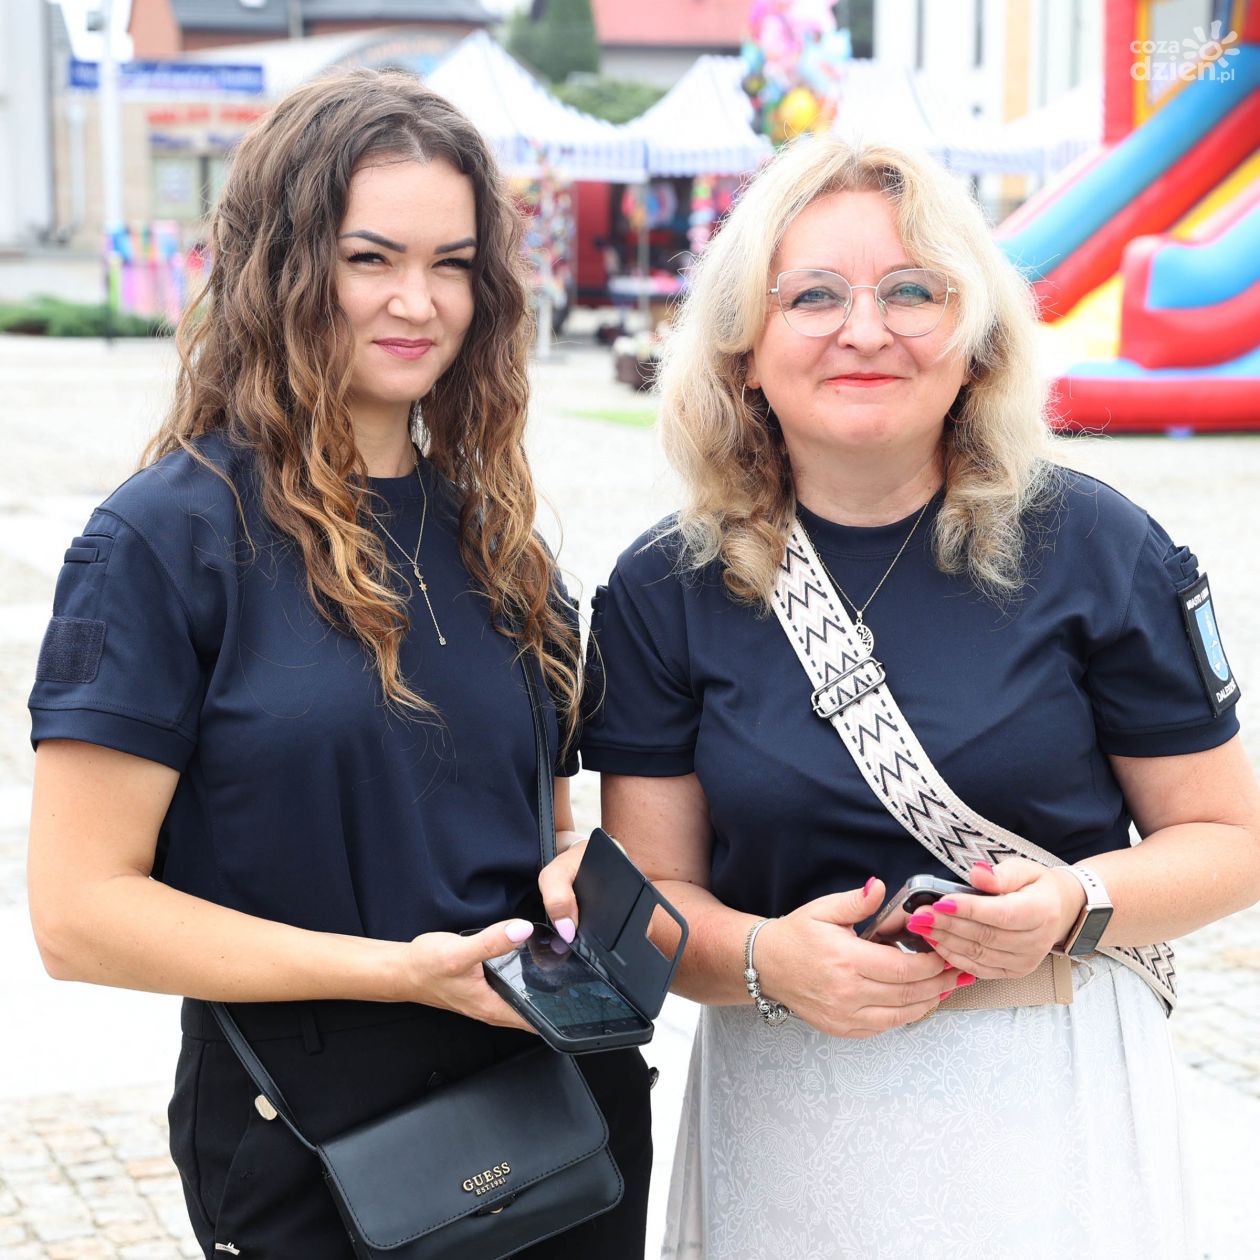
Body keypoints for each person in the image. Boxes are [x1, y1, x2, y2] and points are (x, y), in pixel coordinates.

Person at [580, 135, 1260, 1258]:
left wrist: (1073, 903)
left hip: (1053, 1117)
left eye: (913, 290)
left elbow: (1231, 840)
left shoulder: (1099, 546)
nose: (866, 328)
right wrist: (763, 959)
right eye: (813, 295)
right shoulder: (667, 587)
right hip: (788, 1122)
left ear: (976, 344)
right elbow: (650, 899)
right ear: (744, 352)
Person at [26, 70, 651, 1258]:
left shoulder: (498, 543)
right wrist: (395, 974)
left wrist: (573, 877)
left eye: (452, 263)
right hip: (322, 1145)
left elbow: (536, 825)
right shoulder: (164, 542)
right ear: (282, 266)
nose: (419, 302)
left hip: (561, 1124)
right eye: (371, 259)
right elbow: (79, 914)